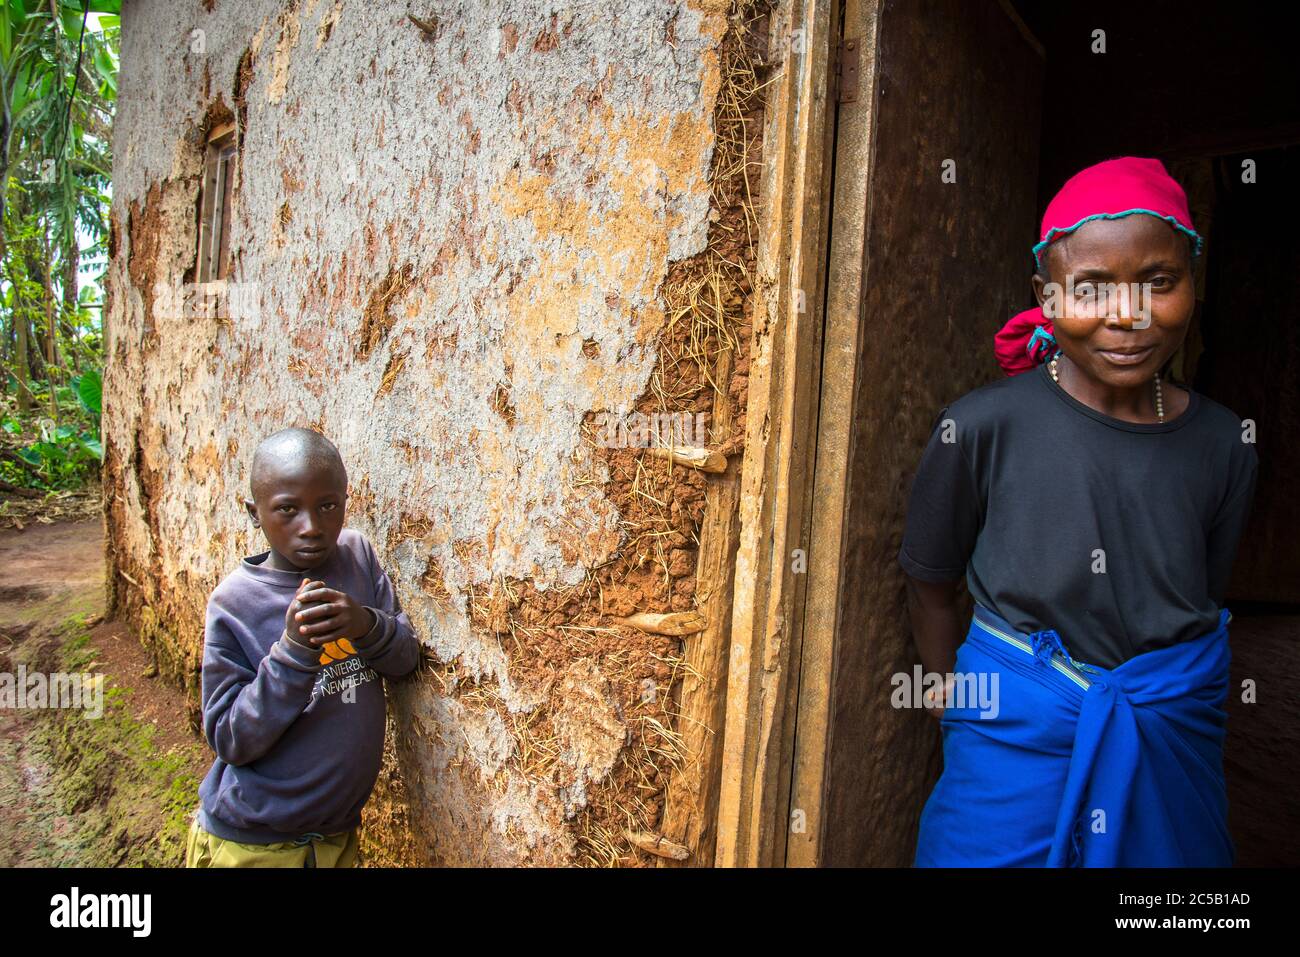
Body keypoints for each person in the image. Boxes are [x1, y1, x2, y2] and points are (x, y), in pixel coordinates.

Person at [898, 157, 1259, 867]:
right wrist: (951, 694)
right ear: (1047, 294)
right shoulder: (980, 427)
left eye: (1160, 282)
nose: (1128, 315)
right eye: (1090, 288)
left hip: (1165, 735)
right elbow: (930, 583)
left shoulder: (1225, 444)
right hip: (1011, 742)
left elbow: (1200, 602)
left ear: (1194, 281)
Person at [184, 427, 422, 867]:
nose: (311, 527)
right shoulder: (235, 603)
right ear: (255, 514)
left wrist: (365, 623)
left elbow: (405, 659)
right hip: (255, 843)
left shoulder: (356, 557)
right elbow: (228, 738)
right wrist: (292, 652)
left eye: (328, 506)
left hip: (335, 838)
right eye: (287, 510)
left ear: (345, 501)